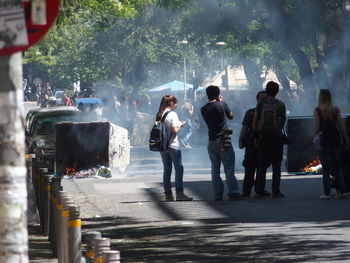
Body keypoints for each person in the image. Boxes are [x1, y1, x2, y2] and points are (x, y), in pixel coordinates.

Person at [201, 85, 241, 201]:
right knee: (229, 168)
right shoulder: (222, 104)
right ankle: (233, 192)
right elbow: (231, 116)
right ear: (218, 94)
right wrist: (223, 102)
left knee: (215, 169)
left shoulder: (203, 109)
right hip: (223, 141)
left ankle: (218, 194)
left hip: (211, 141)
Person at [156, 95, 193, 202]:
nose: (176, 105)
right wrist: (180, 124)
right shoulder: (172, 114)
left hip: (162, 146)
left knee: (167, 170)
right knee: (179, 169)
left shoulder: (159, 114)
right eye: (175, 103)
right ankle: (179, 194)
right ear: (171, 103)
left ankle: (168, 195)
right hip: (173, 145)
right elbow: (174, 130)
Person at [253, 81, 286, 199]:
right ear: (277, 91)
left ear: (266, 90)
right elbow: (283, 120)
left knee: (261, 166)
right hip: (276, 138)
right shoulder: (280, 104)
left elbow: (256, 118)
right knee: (277, 167)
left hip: (263, 138)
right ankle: (276, 191)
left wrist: (256, 132)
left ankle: (260, 190)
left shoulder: (261, 103)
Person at [314, 89, 348, 199]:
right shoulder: (336, 110)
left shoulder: (318, 111)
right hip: (336, 141)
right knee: (337, 167)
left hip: (324, 142)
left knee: (326, 169)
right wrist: (346, 138)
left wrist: (313, 136)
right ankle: (343, 191)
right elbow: (341, 126)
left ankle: (327, 193)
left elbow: (318, 127)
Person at [238, 90, 270, 197]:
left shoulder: (270, 113)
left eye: (266, 98)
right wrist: (240, 141)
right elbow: (245, 127)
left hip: (265, 144)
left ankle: (259, 190)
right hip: (251, 144)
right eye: (262, 98)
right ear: (257, 100)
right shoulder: (250, 112)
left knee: (262, 169)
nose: (264, 101)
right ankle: (246, 191)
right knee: (249, 168)